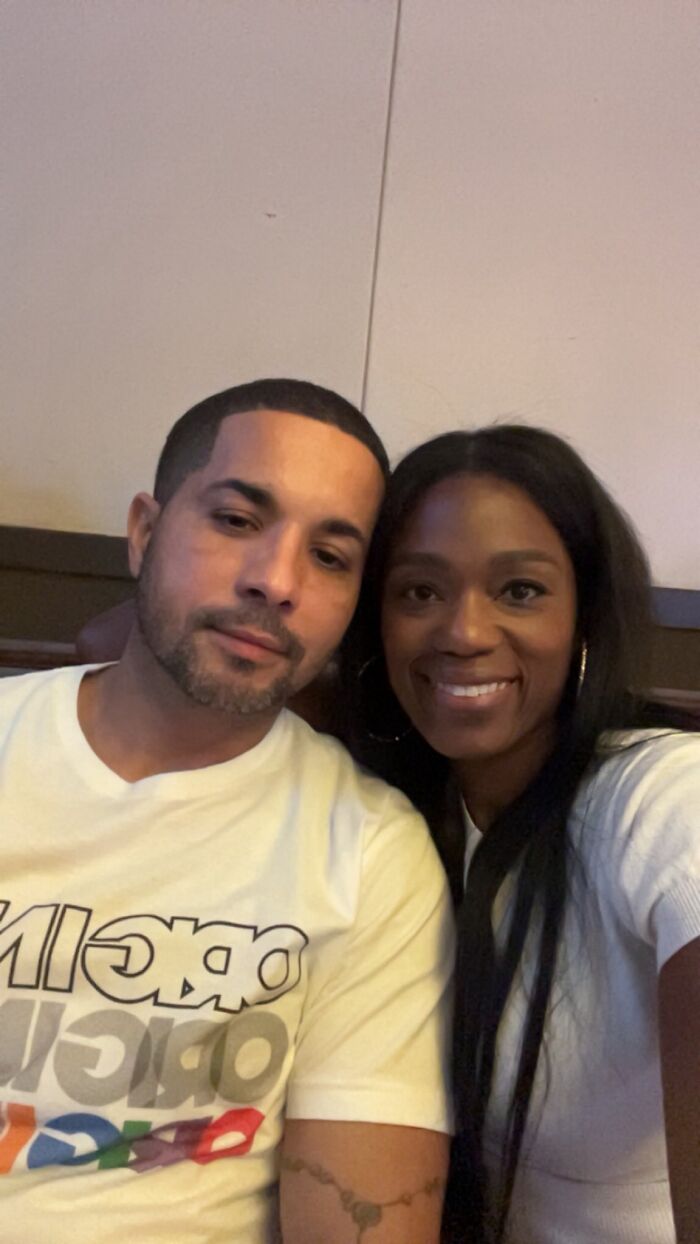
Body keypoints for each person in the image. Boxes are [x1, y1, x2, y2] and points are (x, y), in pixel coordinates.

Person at [0, 379, 454, 1244]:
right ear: (144, 533)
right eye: (238, 520)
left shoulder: (368, 853)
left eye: (330, 557)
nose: (275, 582)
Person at [346, 424, 700, 1244]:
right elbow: (107, 641)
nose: (463, 632)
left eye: (520, 591)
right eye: (419, 592)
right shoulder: (389, 810)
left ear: (586, 615)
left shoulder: (661, 794)